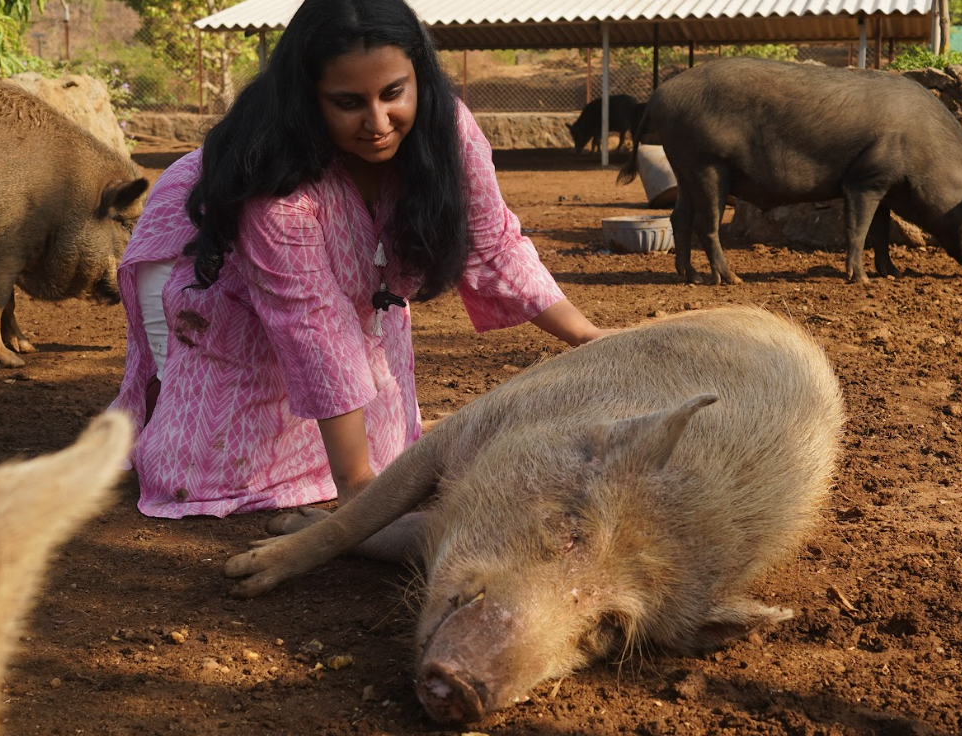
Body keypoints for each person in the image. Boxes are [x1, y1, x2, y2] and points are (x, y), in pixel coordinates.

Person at [109, 0, 607, 519]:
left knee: (386, 442)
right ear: (307, 98)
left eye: (393, 93)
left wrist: (588, 337)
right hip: (214, 269)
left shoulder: (448, 131)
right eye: (347, 102)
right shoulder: (271, 174)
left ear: (419, 75)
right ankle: (166, 419)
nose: (377, 123)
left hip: (340, 293)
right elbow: (311, 317)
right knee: (207, 467)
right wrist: (356, 486)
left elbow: (494, 243)